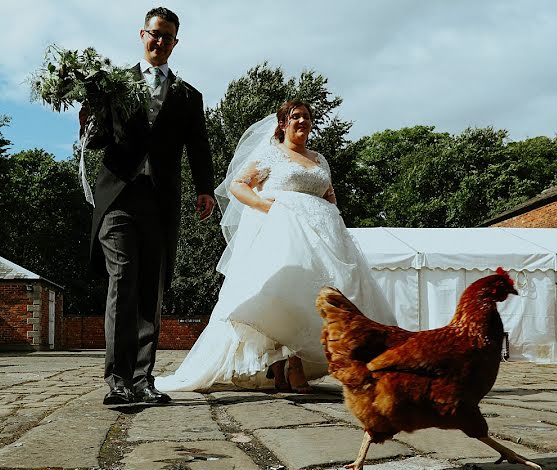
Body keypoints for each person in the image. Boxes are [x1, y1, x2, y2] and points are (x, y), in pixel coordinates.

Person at [155, 101, 396, 393]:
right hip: (284, 232)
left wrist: (330, 215)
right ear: (283, 124)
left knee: (320, 296)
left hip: (324, 235)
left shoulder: (320, 159)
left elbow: (329, 194)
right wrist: (264, 206)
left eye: (307, 117)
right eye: (296, 117)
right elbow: (237, 185)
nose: (302, 121)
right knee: (286, 292)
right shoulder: (271, 153)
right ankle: (285, 365)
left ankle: (293, 363)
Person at [82, 7, 215, 405]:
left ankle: (143, 379)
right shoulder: (113, 86)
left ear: (175, 42)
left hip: (160, 200)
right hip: (119, 196)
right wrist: (89, 121)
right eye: (154, 34)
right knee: (123, 276)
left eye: (167, 37)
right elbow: (99, 140)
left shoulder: (189, 96)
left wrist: (205, 188)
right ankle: (118, 380)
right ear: (142, 34)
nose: (159, 41)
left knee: (150, 287)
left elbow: (199, 146)